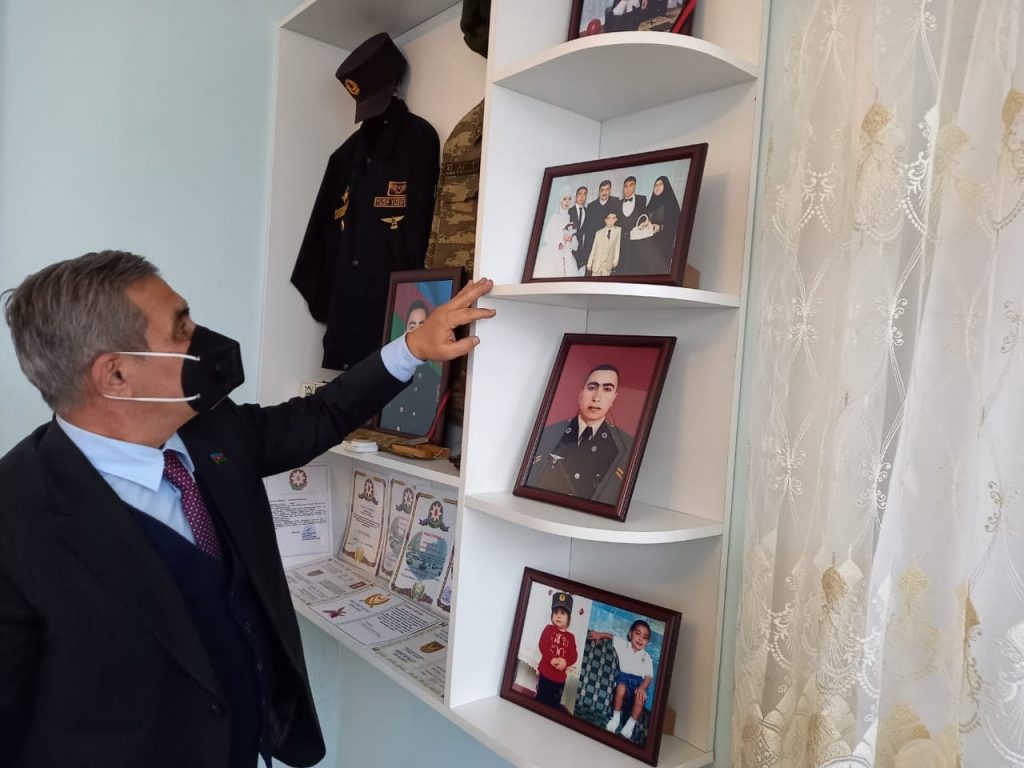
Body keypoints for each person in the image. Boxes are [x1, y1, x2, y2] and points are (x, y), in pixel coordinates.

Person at [0, 250, 494, 768]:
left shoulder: (214, 429)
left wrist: (413, 347)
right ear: (116, 374)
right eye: (181, 328)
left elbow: (319, 415)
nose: (203, 338)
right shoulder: (16, 520)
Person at [525, 363, 633, 503]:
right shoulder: (548, 434)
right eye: (592, 387)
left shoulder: (627, 445)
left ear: (614, 398)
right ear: (581, 393)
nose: (597, 397)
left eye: (607, 389)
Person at [379, 299, 443, 437]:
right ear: (405, 332)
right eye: (412, 326)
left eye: (422, 326)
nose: (417, 332)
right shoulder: (391, 369)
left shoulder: (434, 378)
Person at [588, 619, 654, 741]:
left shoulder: (647, 658)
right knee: (621, 688)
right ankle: (616, 718)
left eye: (645, 637)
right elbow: (611, 636)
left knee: (641, 697)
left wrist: (642, 688)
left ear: (648, 642)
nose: (640, 639)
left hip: (638, 685)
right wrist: (600, 634)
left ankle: (630, 725)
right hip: (624, 681)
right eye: (637, 633)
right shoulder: (623, 645)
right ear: (630, 634)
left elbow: (648, 677)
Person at [535, 591, 579, 709]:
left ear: (569, 618)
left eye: (563, 613)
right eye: (555, 612)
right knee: (540, 699)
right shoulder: (548, 629)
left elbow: (574, 655)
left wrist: (566, 662)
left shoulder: (571, 637)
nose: (558, 616)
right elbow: (542, 645)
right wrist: (551, 659)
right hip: (545, 673)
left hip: (559, 679)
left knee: (554, 704)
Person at [631, 175, 682, 275]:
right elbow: (644, 217)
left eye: (660, 184)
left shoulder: (671, 204)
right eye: (655, 185)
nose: (657, 187)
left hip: (662, 247)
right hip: (647, 246)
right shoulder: (651, 203)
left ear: (666, 186)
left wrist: (660, 227)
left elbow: (676, 224)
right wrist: (643, 224)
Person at [533, 186, 579, 278]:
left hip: (567, 255)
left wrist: (570, 240)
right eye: (564, 199)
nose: (567, 202)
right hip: (553, 254)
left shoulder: (571, 219)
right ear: (560, 201)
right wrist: (562, 239)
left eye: (569, 199)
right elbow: (547, 238)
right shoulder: (555, 217)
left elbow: (575, 245)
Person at [616, 175, 648, 274]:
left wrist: (644, 224)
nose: (628, 188)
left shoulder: (642, 199)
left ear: (635, 186)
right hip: (621, 243)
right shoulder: (618, 203)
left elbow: (644, 216)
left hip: (636, 242)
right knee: (621, 270)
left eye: (631, 185)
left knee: (634, 270)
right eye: (625, 186)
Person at [583, 179, 620, 255]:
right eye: (602, 190)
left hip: (609, 245)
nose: (604, 192)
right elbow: (588, 229)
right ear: (599, 191)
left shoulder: (616, 202)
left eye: (607, 189)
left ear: (610, 190)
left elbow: (618, 223)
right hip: (594, 245)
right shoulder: (591, 206)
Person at [586, 211, 623, 277]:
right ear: (605, 220)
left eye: (613, 218)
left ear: (616, 219)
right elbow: (594, 249)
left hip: (608, 264)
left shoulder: (618, 230)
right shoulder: (599, 232)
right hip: (597, 263)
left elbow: (617, 247)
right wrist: (589, 263)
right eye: (608, 218)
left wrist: (615, 261)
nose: (611, 221)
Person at [567, 186, 589, 271]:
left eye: (584, 194)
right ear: (576, 196)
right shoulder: (569, 211)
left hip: (582, 252)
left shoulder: (588, 212)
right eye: (580, 194)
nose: (582, 196)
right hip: (570, 249)